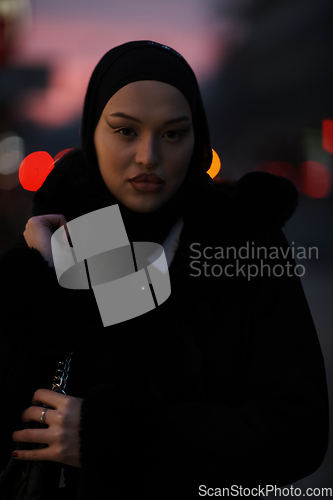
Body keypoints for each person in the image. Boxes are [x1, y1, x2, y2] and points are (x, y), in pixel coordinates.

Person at [0, 40, 329, 500]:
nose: (149, 156)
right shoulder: (60, 237)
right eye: (125, 131)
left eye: (173, 133)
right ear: (92, 133)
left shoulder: (242, 239)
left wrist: (118, 439)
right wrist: (33, 277)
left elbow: (299, 432)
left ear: (198, 140)